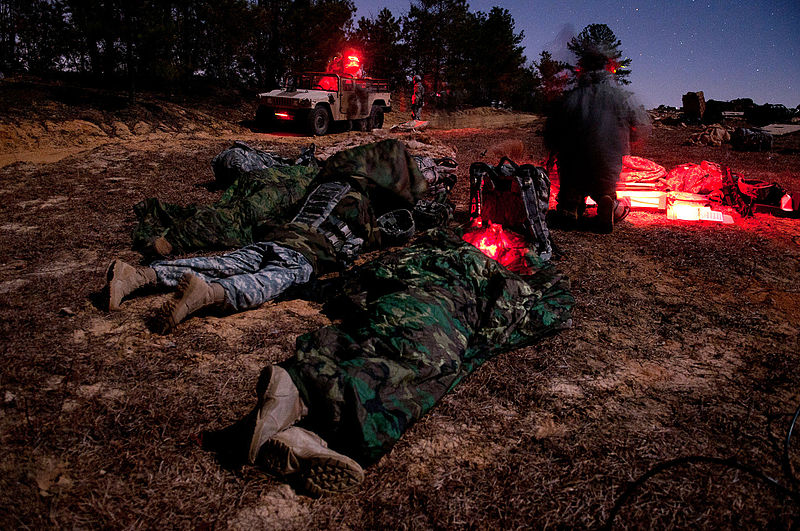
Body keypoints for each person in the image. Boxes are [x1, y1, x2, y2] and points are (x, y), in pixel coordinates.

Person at [202, 229, 575, 496]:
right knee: (423, 361)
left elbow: (379, 270)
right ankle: (303, 396)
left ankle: (303, 425)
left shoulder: (443, 248)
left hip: (412, 299)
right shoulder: (476, 262)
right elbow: (536, 311)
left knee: (401, 358)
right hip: (440, 304)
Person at [105, 139, 427, 333]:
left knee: (221, 262)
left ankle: (136, 276)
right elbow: (372, 239)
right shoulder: (363, 210)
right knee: (263, 283)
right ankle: (205, 296)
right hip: (304, 255)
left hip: (277, 237)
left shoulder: (325, 186)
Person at [544, 46, 650, 233]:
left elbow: (553, 130)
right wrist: (625, 142)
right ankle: (605, 200)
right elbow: (639, 123)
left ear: (582, 69)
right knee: (605, 186)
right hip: (607, 164)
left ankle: (571, 206)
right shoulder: (620, 96)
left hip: (573, 164)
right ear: (607, 68)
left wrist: (553, 150)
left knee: (571, 186)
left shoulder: (572, 97)